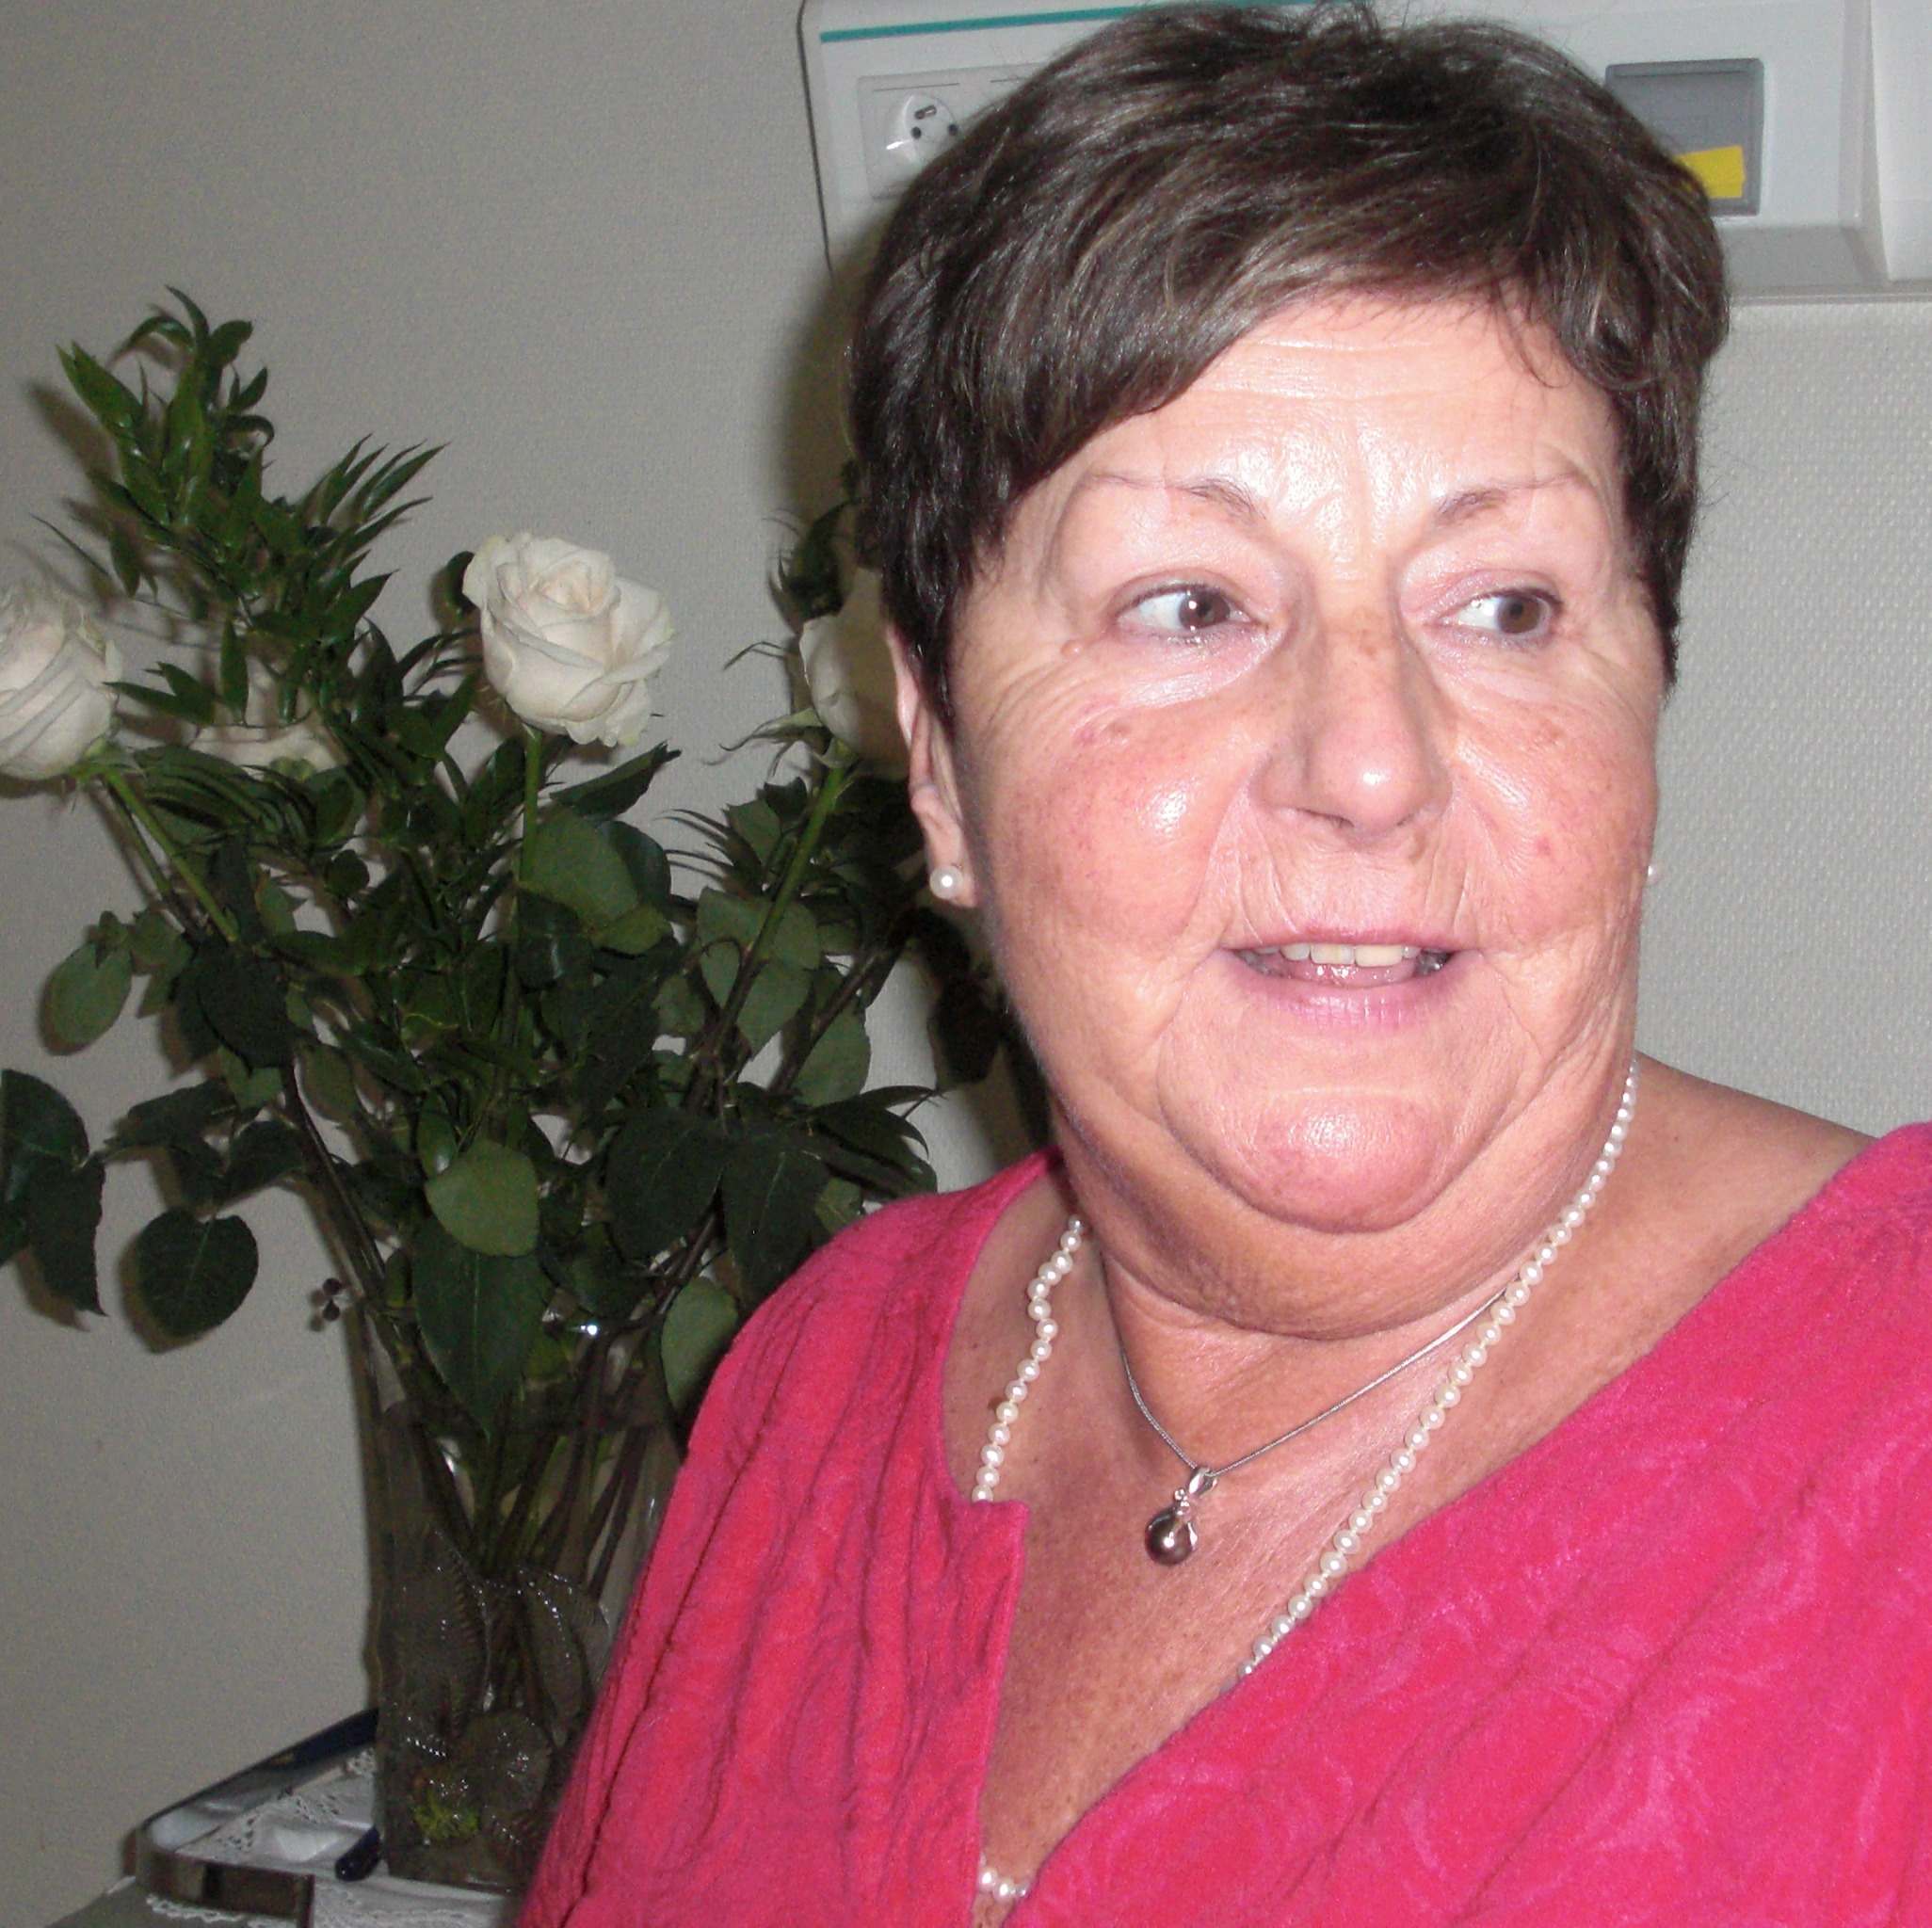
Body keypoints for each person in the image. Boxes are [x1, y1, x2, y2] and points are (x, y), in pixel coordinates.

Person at [522, 8, 1932, 1922]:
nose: (1371, 763)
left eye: (1505, 607)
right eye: (1189, 604)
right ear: (938, 765)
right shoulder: (823, 1377)